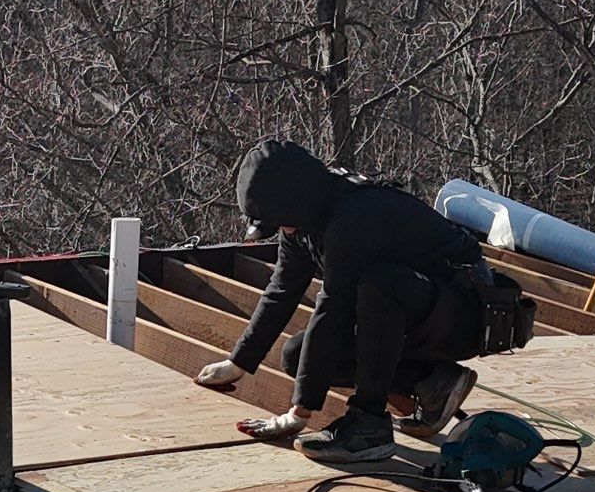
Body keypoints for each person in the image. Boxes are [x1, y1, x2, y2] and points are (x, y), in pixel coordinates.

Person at [196, 140, 484, 464]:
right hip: (422, 315)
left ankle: (369, 427)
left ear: (298, 202)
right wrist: (237, 363)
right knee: (295, 355)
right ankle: (431, 381)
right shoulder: (305, 222)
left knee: (378, 286)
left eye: (281, 221)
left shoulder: (354, 215)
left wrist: (298, 413)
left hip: (467, 311)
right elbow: (281, 291)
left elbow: (332, 308)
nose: (282, 229)